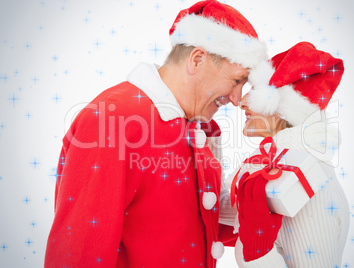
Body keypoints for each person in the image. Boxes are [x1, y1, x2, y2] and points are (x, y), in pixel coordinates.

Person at [44, 0, 271, 267]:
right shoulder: (114, 121)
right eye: (236, 81)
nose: (236, 99)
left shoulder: (194, 126)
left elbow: (191, 223)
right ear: (197, 60)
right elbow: (79, 251)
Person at [228, 42, 350, 268]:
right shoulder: (276, 167)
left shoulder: (307, 186)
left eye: (254, 92)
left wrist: (258, 250)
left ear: (281, 108)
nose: (242, 102)